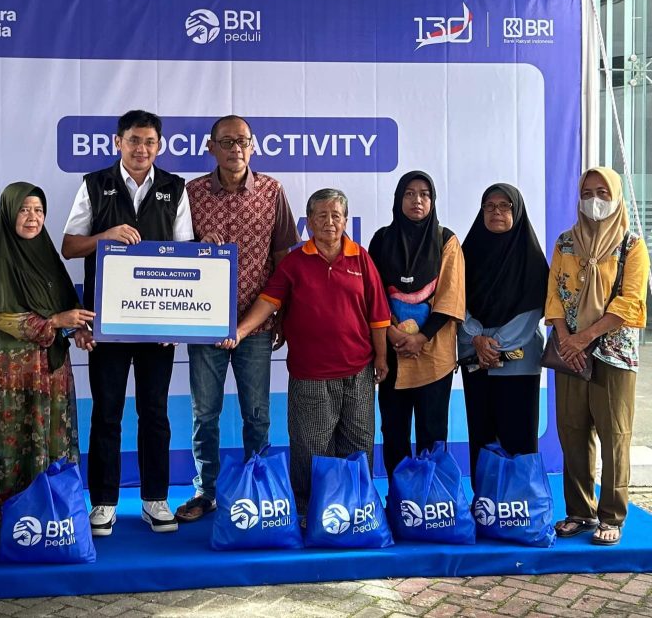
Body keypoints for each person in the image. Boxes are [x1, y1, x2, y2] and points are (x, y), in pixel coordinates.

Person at [62, 109, 193, 535]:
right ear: (118, 142)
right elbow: (69, 246)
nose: (142, 149)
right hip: (107, 324)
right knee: (107, 413)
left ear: (159, 146)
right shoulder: (94, 184)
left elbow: (186, 254)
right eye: (134, 140)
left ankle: (156, 499)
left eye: (150, 142)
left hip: (158, 326)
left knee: (154, 412)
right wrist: (105, 236)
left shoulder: (174, 187)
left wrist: (176, 324)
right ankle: (103, 503)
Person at [219, 188, 389, 516]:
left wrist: (381, 357)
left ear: (346, 220)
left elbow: (378, 314)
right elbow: (269, 300)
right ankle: (308, 511)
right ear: (308, 221)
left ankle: (358, 508)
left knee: (358, 445)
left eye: (336, 215)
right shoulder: (295, 262)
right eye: (321, 215)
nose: (329, 222)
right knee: (311, 449)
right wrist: (240, 331)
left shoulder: (361, 258)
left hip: (358, 372)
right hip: (310, 374)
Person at [176, 115, 299, 523]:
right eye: (226, 142)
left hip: (257, 323)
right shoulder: (191, 192)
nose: (235, 149)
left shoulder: (272, 191)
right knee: (204, 413)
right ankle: (205, 491)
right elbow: (174, 252)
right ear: (211, 147)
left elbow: (283, 258)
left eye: (242, 141)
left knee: (257, 413)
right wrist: (197, 245)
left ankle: (257, 485)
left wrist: (282, 314)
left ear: (253, 146)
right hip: (203, 322)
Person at [0, 182, 94, 542]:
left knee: (50, 443)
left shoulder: (48, 258)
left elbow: (65, 308)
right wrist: (55, 322)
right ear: (9, 214)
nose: (32, 217)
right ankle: (4, 526)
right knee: (8, 447)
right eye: (24, 210)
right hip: (8, 380)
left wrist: (77, 330)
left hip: (48, 376)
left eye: (38, 210)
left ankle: (49, 520)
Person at [547, 167, 648, 546]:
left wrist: (584, 338)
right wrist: (565, 339)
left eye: (602, 192)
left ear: (616, 196)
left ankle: (612, 515)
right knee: (572, 431)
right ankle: (580, 511)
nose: (594, 200)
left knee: (614, 434)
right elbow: (554, 295)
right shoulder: (565, 242)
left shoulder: (631, 245)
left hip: (612, 355)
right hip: (569, 353)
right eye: (587, 192)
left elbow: (630, 302)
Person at [368, 171, 465, 477]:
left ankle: (433, 497)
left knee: (432, 432)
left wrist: (421, 337)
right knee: (394, 431)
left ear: (432, 200)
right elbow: (373, 293)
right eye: (409, 194)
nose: (417, 200)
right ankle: (400, 496)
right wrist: (391, 331)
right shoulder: (382, 240)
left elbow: (451, 295)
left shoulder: (446, 240)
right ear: (398, 199)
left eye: (424, 194)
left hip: (434, 354)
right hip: (393, 352)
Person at [457, 184, 549, 483]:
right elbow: (453, 299)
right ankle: (486, 499)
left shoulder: (531, 258)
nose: (496, 212)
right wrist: (476, 338)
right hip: (475, 359)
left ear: (517, 211)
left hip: (518, 361)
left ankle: (520, 500)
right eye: (490, 206)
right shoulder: (465, 255)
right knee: (482, 434)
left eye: (505, 206)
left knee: (518, 435)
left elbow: (533, 308)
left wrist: (494, 345)